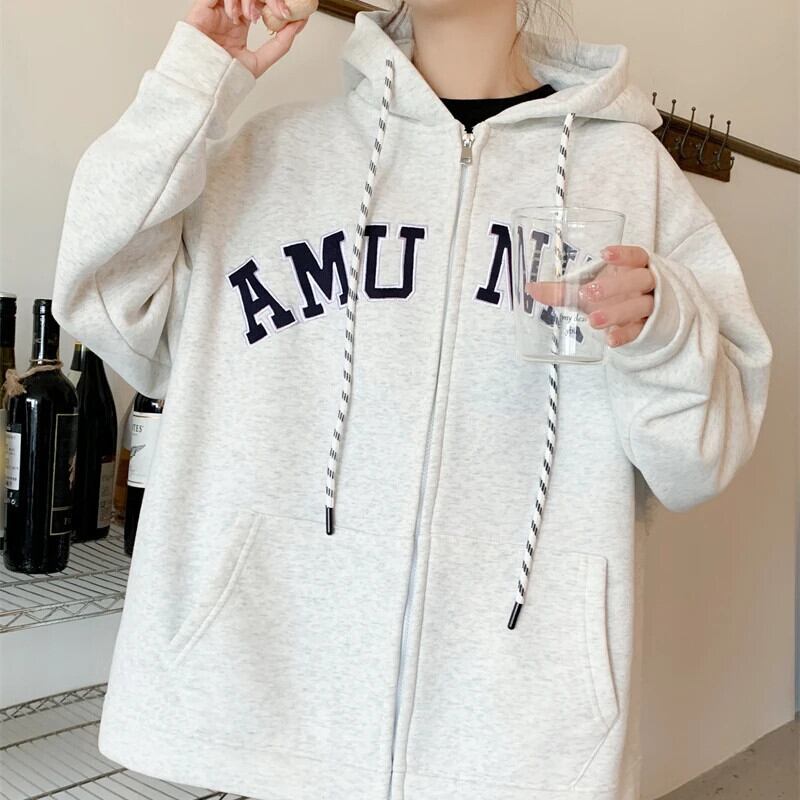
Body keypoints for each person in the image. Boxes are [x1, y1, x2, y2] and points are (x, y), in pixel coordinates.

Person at [51, 1, 773, 798]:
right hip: (268, 702)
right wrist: (197, 77)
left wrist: (665, 327)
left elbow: (696, 461)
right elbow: (106, 300)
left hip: (515, 731)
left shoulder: (632, 176)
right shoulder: (277, 152)